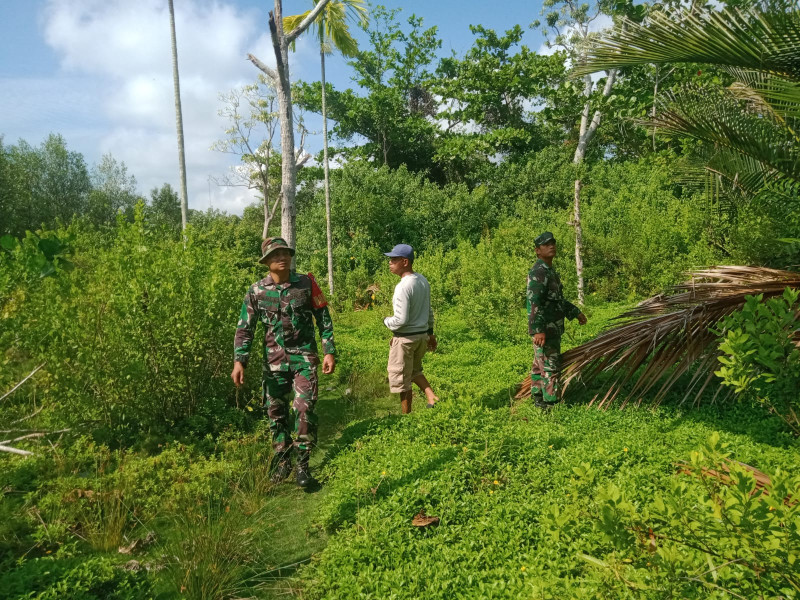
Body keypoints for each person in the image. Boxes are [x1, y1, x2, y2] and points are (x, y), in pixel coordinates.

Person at [231, 237, 336, 489]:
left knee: (303, 407)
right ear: (266, 261)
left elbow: (323, 318)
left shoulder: (306, 284)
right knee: (275, 412)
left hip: (304, 358)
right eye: (276, 254)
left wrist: (328, 351)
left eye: (286, 253)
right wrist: (239, 361)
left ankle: (303, 464)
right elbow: (245, 329)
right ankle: (282, 459)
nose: (282, 257)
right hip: (273, 362)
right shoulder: (256, 291)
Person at [527, 232, 587, 409]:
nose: (551, 246)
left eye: (552, 243)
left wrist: (575, 312)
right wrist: (538, 329)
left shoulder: (550, 271)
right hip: (545, 329)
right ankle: (550, 404)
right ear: (538, 251)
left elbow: (557, 300)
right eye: (546, 245)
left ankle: (538, 398)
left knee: (540, 365)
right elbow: (533, 302)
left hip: (552, 328)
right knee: (550, 366)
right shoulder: (538, 272)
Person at [383, 244, 438, 414]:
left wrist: (386, 321)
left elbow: (401, 320)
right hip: (421, 336)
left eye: (394, 259)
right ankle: (432, 397)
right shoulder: (422, 280)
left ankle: (406, 419)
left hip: (406, 340)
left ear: (405, 261)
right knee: (414, 371)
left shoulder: (403, 287)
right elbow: (429, 310)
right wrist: (430, 333)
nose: (390, 263)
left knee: (402, 379)